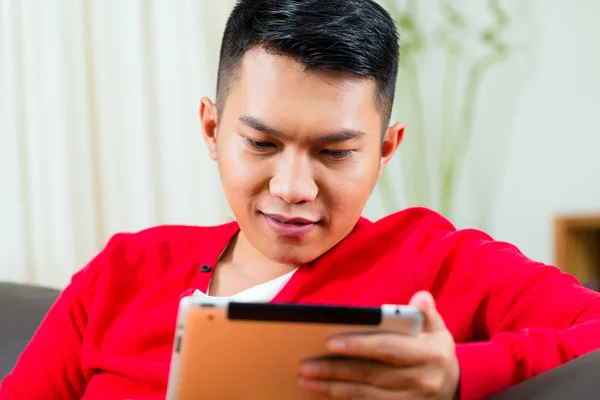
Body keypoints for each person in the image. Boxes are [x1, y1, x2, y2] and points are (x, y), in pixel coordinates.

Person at [2, 0, 600, 399]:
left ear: (386, 149)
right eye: (261, 143)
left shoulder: (438, 263)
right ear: (211, 130)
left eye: (335, 153)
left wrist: (458, 374)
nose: (292, 189)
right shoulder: (123, 273)